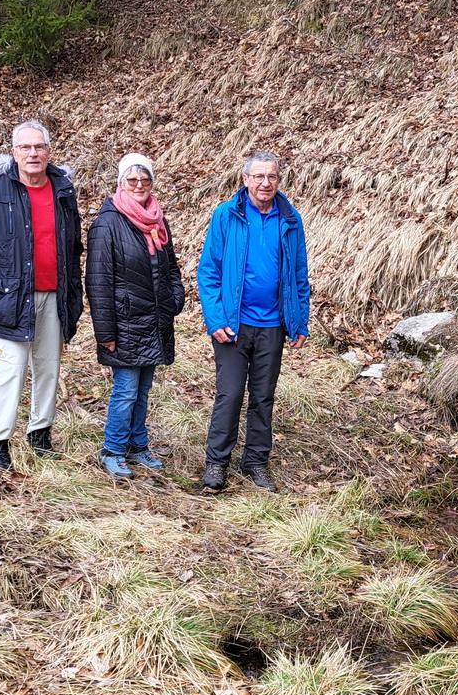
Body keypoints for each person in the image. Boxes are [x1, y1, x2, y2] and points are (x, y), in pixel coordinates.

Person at [0, 120, 84, 472]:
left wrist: (73, 291)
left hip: (54, 297)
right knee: (10, 371)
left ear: (49, 151)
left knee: (48, 368)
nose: (33, 153)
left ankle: (40, 434)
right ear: (13, 152)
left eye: (39, 147)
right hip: (9, 298)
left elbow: (73, 246)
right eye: (25, 147)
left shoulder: (62, 188)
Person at [195, 150, 311, 493]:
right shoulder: (226, 215)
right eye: (258, 176)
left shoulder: (290, 219)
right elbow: (209, 272)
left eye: (271, 176)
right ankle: (217, 464)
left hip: (273, 325)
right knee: (229, 394)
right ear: (245, 180)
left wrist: (299, 321)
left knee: (263, 396)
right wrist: (215, 318)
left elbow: (299, 274)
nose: (265, 183)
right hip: (232, 324)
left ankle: (256, 462)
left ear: (278, 180)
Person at [85, 154, 186, 479]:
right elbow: (98, 282)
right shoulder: (107, 223)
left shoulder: (157, 220)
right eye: (132, 181)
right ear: (120, 183)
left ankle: (138, 446)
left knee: (142, 391)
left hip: (154, 322)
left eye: (145, 180)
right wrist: (105, 333)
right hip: (125, 324)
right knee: (126, 390)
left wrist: (175, 297)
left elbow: (170, 268)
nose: (139, 186)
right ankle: (113, 449)